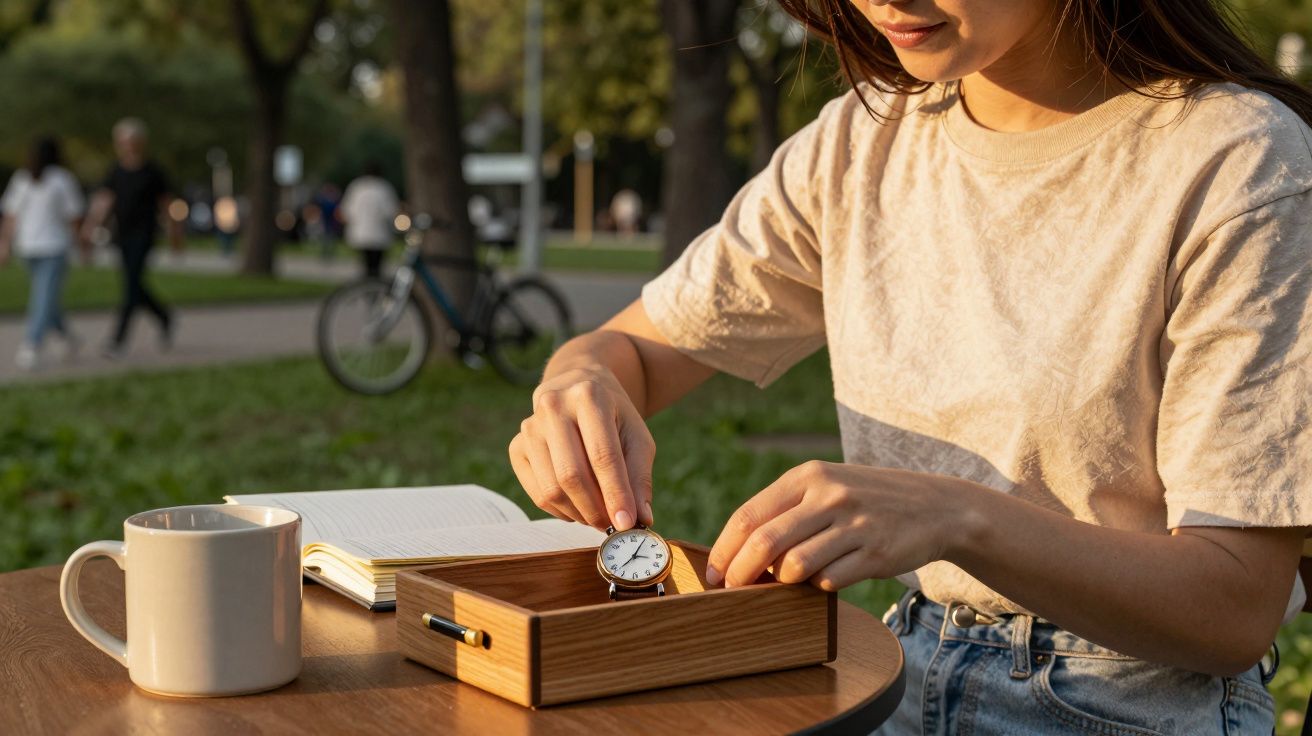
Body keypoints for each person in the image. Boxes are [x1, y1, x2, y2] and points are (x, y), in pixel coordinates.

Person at [507, 0, 1312, 733]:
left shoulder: (1238, 162)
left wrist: (954, 517)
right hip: (892, 671)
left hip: (1130, 702)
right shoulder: (861, 142)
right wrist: (581, 377)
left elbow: (1235, 606)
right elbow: (638, 350)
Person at [82, 118, 183, 358]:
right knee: (134, 284)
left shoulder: (153, 172)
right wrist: (90, 226)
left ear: (140, 142)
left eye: (128, 141)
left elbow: (168, 205)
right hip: (122, 235)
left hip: (144, 234)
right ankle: (163, 315)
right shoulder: (116, 171)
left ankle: (118, 341)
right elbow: (104, 200)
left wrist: (175, 233)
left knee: (130, 288)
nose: (124, 146)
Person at [0, 137, 87, 370]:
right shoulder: (23, 179)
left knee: (42, 297)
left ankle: (31, 344)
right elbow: (11, 215)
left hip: (53, 248)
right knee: (46, 299)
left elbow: (74, 216)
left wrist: (81, 244)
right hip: (29, 249)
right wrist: (5, 244)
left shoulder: (60, 180)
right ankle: (69, 338)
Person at [339, 162, 399, 279]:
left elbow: (347, 211)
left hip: (359, 234)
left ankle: (367, 286)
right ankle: (374, 287)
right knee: (377, 267)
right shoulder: (385, 188)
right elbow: (391, 212)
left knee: (365, 265)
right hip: (380, 235)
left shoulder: (356, 187)